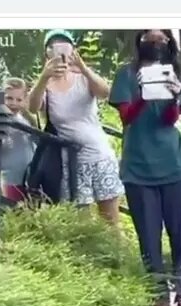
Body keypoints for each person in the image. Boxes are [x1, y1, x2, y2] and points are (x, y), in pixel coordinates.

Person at [110, 30, 181, 306]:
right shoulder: (126, 74)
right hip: (138, 166)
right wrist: (144, 94)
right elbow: (126, 117)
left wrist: (173, 96)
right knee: (149, 236)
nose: (156, 42)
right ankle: (158, 295)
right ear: (139, 40)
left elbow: (171, 119)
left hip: (174, 164)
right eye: (150, 36)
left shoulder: (175, 74)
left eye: (162, 38)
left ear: (170, 44)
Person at [27, 29, 124, 224]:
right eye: (54, 47)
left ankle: (117, 254)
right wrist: (44, 77)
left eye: (65, 45)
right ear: (47, 52)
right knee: (82, 221)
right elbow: (32, 106)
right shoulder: (45, 84)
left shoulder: (83, 77)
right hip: (71, 160)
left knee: (111, 221)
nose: (60, 52)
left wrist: (84, 68)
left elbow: (106, 93)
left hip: (99, 155)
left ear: (74, 50)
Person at [0, 77, 39, 203]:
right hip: (11, 176)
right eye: (9, 98)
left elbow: (37, 140)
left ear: (25, 100)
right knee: (14, 209)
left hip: (29, 174)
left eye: (19, 100)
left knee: (31, 209)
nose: (13, 103)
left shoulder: (26, 119)